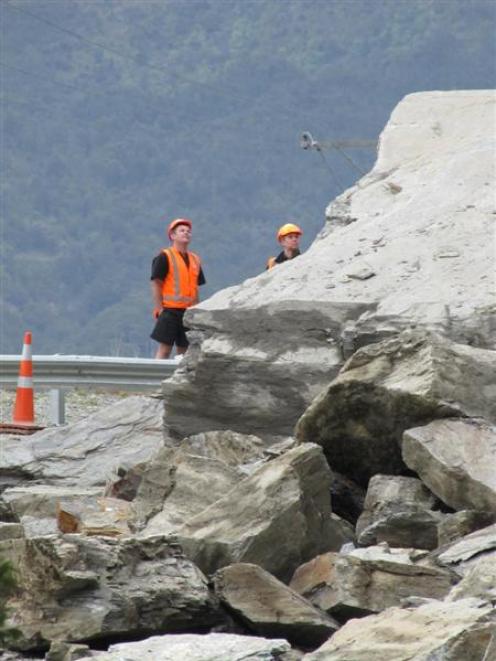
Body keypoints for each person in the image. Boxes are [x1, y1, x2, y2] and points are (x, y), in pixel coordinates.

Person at [150, 218, 205, 359]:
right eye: (182, 231)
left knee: (184, 351)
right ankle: (157, 378)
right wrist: (159, 309)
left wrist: (196, 311)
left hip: (188, 312)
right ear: (172, 236)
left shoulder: (195, 259)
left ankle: (179, 380)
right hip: (170, 310)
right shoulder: (165, 256)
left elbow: (196, 288)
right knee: (165, 349)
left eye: (188, 231)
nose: (186, 233)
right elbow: (156, 283)